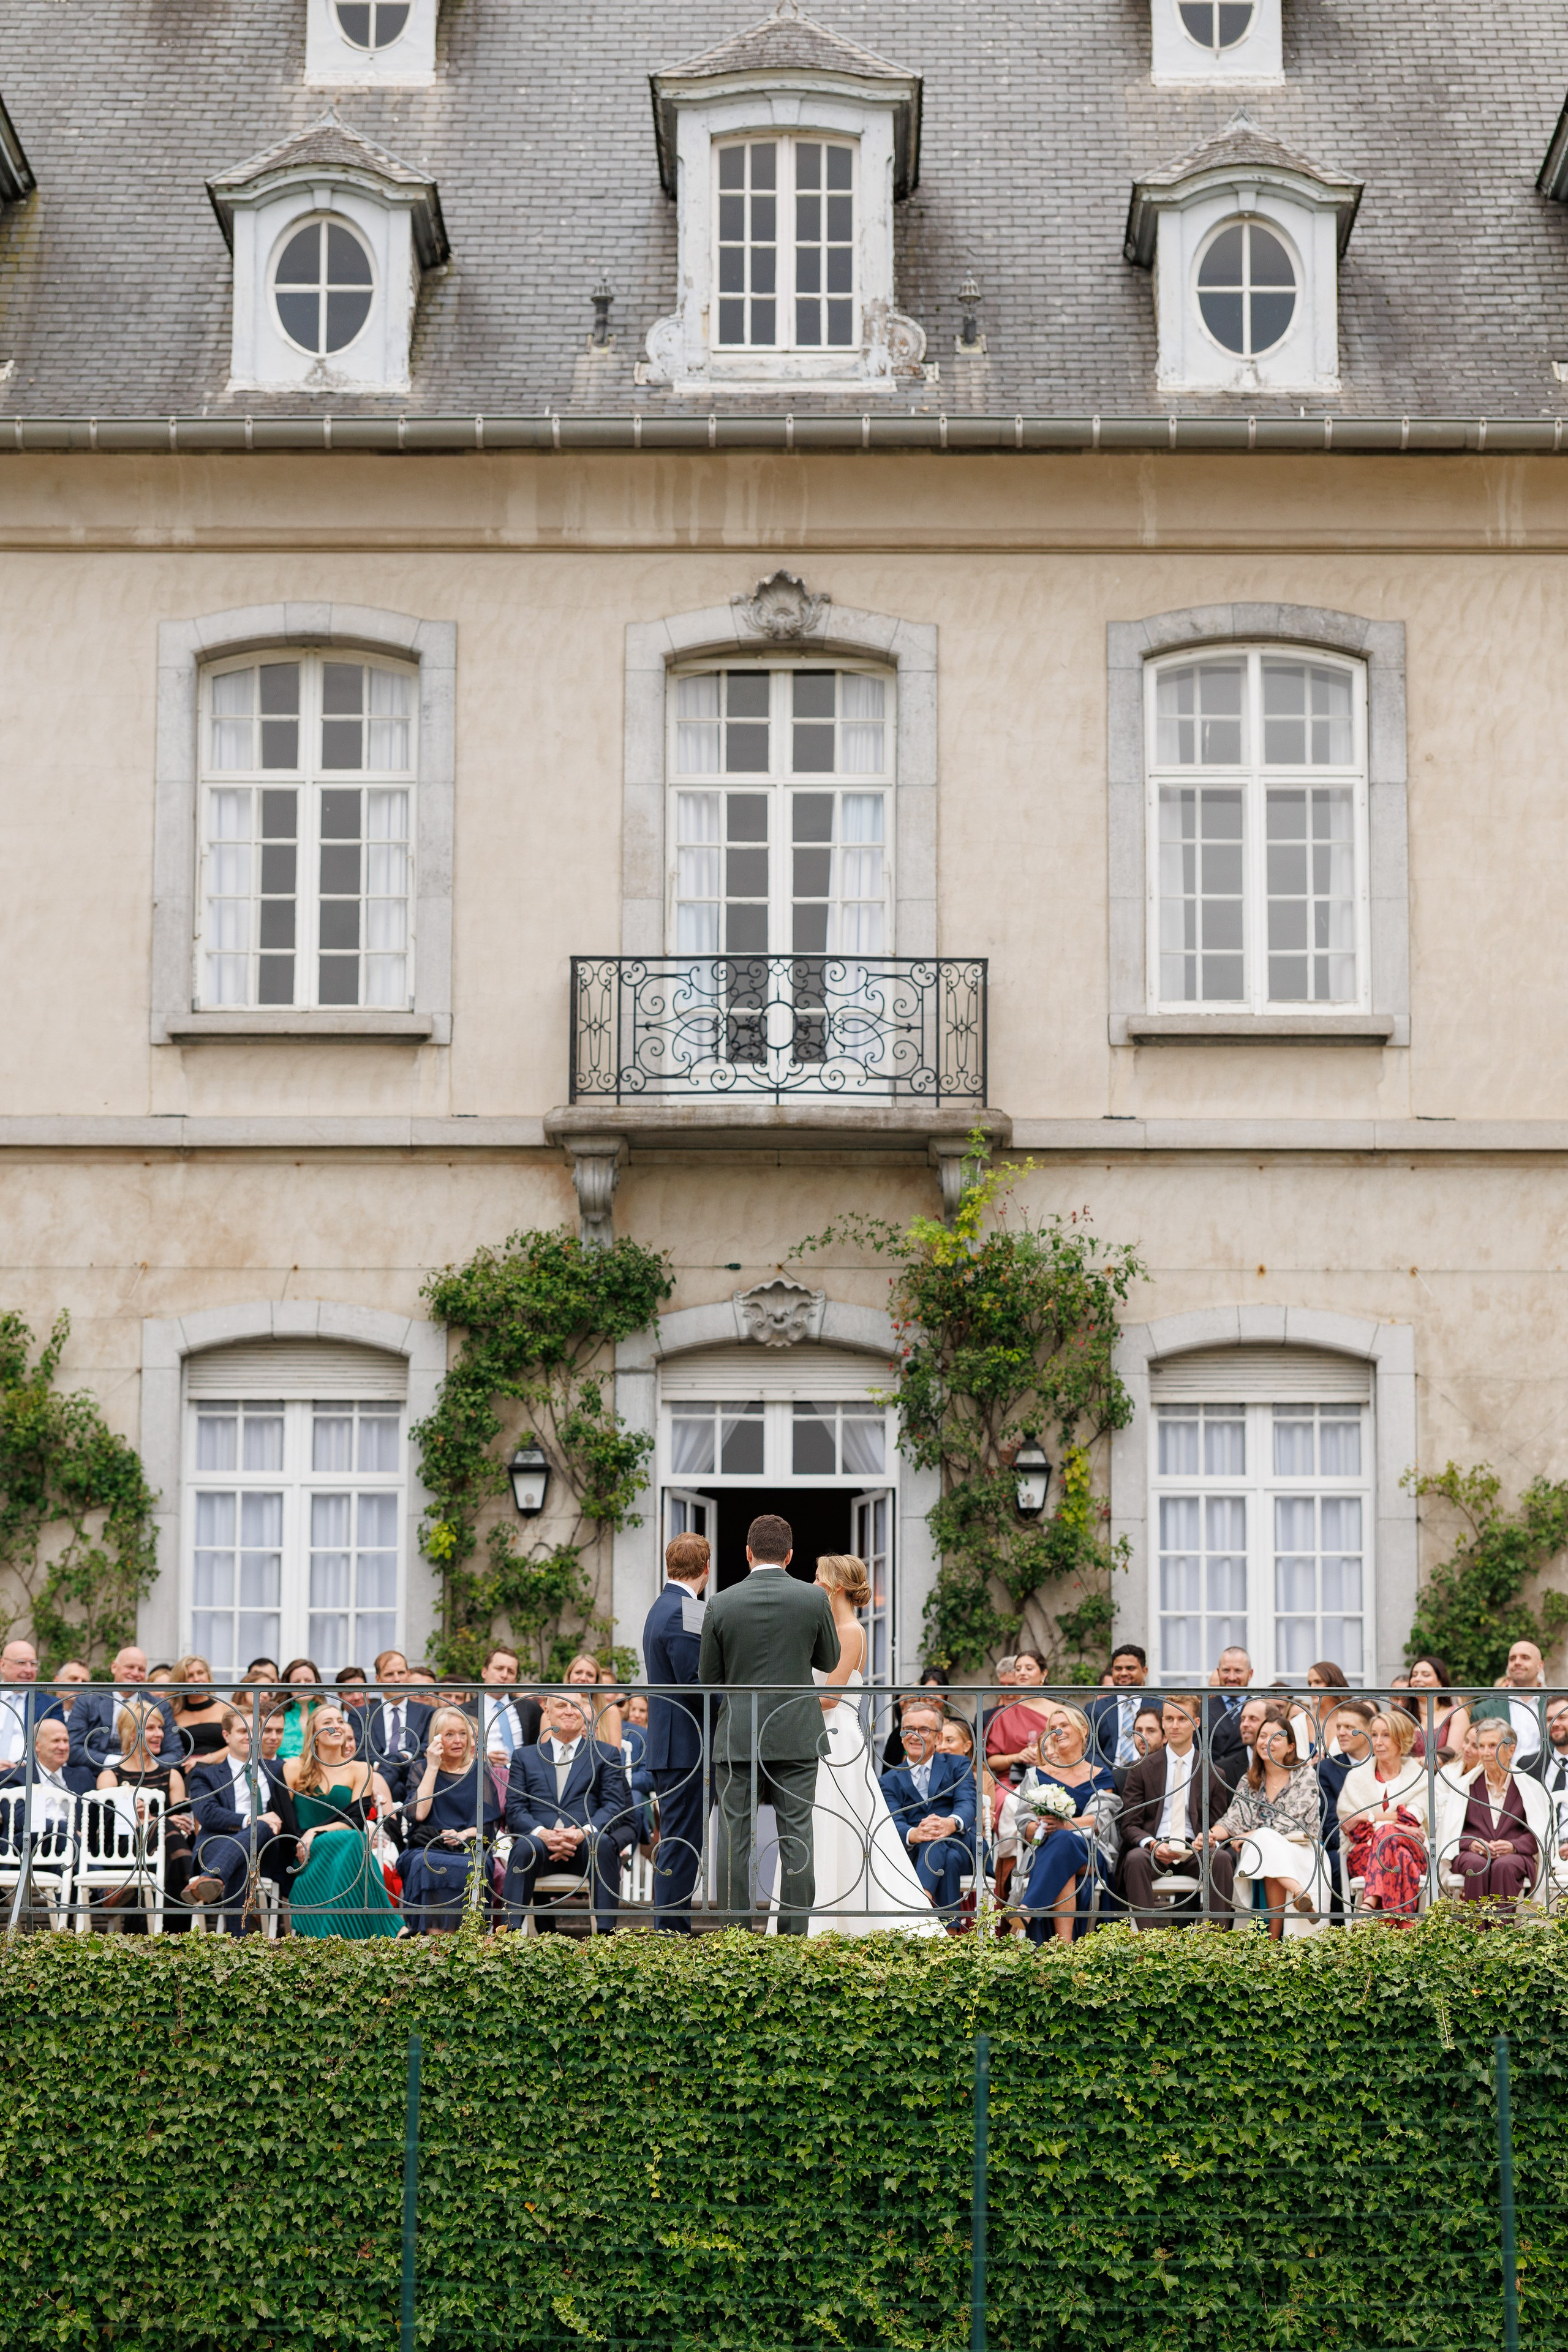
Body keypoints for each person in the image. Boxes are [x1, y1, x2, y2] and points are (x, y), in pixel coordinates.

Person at [698, 1512, 840, 1936]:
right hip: (796, 1731)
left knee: (733, 1836)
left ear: (747, 1553)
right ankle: (792, 1939)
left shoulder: (721, 1602)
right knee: (797, 1834)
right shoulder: (813, 1599)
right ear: (790, 1555)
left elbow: (709, 1679)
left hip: (739, 1733)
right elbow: (829, 1662)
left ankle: (737, 1937)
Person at [501, 1689, 633, 1932]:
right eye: (561, 1706)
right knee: (523, 1848)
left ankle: (606, 1936)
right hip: (540, 1848)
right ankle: (507, 1934)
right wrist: (543, 1833)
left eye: (575, 1706)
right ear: (547, 1712)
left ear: (585, 1713)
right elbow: (515, 1808)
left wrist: (583, 1832)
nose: (569, 1711)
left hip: (585, 1849)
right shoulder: (525, 1757)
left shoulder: (605, 1754)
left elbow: (614, 1805)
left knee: (602, 1844)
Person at [1193, 1706, 1321, 1939]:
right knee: (1266, 1846)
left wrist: (1252, 1834)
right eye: (1263, 1736)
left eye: (1276, 1738)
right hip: (1266, 1852)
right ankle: (1297, 1891)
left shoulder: (1304, 1774)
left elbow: (1294, 1820)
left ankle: (1270, 1941)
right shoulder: (1250, 1779)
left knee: (1265, 1842)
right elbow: (1233, 1819)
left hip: (1302, 1849)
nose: (1266, 1742)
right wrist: (1210, 1834)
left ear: (1291, 1746)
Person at [641, 1533, 712, 1934]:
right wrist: (737, 1707)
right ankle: (671, 1933)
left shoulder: (660, 1606)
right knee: (682, 1845)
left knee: (676, 1841)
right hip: (684, 1749)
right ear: (706, 1569)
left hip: (672, 1746)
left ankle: (669, 1928)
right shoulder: (687, 1609)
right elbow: (694, 1681)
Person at [282, 1705, 400, 1938]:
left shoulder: (360, 1769)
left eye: (340, 1720)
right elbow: (286, 1817)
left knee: (355, 1838)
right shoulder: (293, 1767)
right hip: (304, 1852)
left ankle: (332, 1936)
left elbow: (356, 1819)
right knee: (356, 1841)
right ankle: (393, 1927)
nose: (337, 1725)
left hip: (343, 1842)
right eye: (328, 1721)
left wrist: (316, 1831)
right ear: (313, 1732)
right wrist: (307, 1838)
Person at [1118, 1695, 1235, 1929]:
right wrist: (1151, 1844)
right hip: (1155, 1849)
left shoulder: (1213, 1772)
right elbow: (1129, 1824)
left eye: (1182, 1719)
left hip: (1196, 1850)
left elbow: (1219, 1821)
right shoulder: (1142, 1769)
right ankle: (1148, 1944)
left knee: (1221, 1858)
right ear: (1162, 1722)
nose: (1174, 1725)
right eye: (1169, 1719)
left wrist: (1208, 1835)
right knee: (1134, 1859)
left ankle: (1218, 1941)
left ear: (1196, 1723)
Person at [1010, 1703, 1120, 1943]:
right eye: (1052, 1728)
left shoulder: (1100, 1775)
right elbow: (1024, 1823)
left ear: (1083, 1731)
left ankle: (1029, 1909)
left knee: (1063, 1841)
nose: (1057, 1732)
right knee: (1063, 1855)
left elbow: (1099, 1820)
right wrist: (1040, 1826)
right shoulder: (1036, 1775)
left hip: (1090, 1853)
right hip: (1049, 1852)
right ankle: (1065, 1946)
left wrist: (1064, 1826)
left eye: (1064, 1726)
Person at [186, 1706, 301, 1932]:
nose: (250, 1736)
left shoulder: (281, 1770)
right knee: (249, 1847)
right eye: (242, 1731)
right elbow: (207, 1813)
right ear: (226, 1736)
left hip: (267, 1851)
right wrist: (252, 1820)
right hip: (215, 1844)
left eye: (254, 1730)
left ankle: (211, 1878)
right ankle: (237, 1943)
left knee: (265, 1827)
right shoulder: (205, 1774)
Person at [869, 1695, 976, 1928]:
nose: (914, 1735)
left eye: (923, 1730)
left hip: (963, 1843)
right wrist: (914, 1833)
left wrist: (950, 1823)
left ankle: (921, 1904)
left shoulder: (958, 1764)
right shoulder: (888, 1780)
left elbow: (968, 1803)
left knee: (943, 1846)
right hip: (916, 1852)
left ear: (938, 1737)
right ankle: (950, 1932)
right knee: (943, 1853)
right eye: (908, 1729)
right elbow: (892, 1821)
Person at [399, 1707, 501, 1934]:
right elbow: (419, 1814)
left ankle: (466, 1937)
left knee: (476, 1865)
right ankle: (431, 1937)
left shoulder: (479, 1771)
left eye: (463, 1734)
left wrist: (463, 1835)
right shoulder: (422, 1769)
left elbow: (488, 1826)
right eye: (449, 1735)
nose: (458, 1741)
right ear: (436, 1738)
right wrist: (433, 1766)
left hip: (468, 1848)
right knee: (423, 1863)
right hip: (428, 1847)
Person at [93, 1700, 195, 1924]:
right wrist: (142, 1819)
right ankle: (190, 1890)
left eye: (160, 1728)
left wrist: (165, 1820)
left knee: (165, 1830)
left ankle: (146, 1927)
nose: (159, 1734)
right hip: (124, 1849)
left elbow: (182, 1821)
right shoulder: (110, 1777)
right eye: (150, 1728)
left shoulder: (171, 1776)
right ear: (131, 1733)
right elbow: (107, 1827)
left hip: (166, 1847)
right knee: (163, 1829)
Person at [1438, 1719, 1550, 1915]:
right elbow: (1452, 1829)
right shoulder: (1466, 1786)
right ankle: (1475, 1934)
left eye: (1492, 1746)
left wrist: (1513, 1846)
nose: (1486, 1752)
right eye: (1481, 1746)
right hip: (1472, 1853)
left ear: (1511, 1751)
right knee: (1477, 1865)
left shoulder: (1529, 1788)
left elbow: (1538, 1832)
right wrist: (1471, 1843)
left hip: (1515, 1856)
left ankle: (1502, 1937)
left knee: (1504, 1866)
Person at [1337, 1708, 1429, 1921]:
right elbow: (1352, 1828)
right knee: (1401, 1858)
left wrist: (1368, 1817)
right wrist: (1398, 1825)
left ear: (1402, 1738)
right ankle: (1405, 1932)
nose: (1378, 1742)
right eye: (1375, 1735)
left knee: (1390, 1837)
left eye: (1386, 1735)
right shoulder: (1356, 1778)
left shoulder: (1419, 1778)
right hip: (1365, 1854)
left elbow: (1412, 1818)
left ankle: (1370, 1901)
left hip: (1414, 1851)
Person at [66, 1647, 179, 1779]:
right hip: (97, 1776)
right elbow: (73, 1749)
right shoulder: (88, 1701)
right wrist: (120, 1763)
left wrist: (146, 1766)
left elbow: (174, 1753)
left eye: (141, 1670)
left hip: (147, 1779)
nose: (136, 1673)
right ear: (114, 1667)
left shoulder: (160, 1705)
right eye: (130, 1667)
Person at [467, 1645, 543, 1801]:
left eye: (511, 1671)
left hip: (524, 1782)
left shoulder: (530, 1708)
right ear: (484, 1672)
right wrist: (482, 1758)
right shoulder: (464, 1711)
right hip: (479, 1781)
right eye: (499, 1668)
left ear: (515, 1679)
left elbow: (538, 1746)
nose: (504, 1675)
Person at [356, 1651, 432, 1800]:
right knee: (397, 1789)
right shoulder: (360, 1714)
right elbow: (360, 1749)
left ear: (408, 1675)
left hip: (413, 1773)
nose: (397, 1679)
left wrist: (402, 1758)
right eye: (390, 1674)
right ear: (378, 1679)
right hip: (377, 1772)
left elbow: (427, 1746)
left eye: (401, 1673)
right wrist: (383, 1765)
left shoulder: (427, 1712)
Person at [983, 1651, 1056, 1789]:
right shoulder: (1004, 1715)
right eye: (1018, 1669)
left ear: (1044, 1674)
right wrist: (1016, 1757)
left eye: (1029, 1669)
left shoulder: (1058, 1713)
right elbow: (989, 1761)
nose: (1022, 1673)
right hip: (1011, 1782)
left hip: (1054, 1777)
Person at [1471, 1641, 1547, 1770]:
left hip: (1544, 1780)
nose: (1517, 1662)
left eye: (1525, 1657)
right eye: (1512, 1659)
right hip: (1500, 1778)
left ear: (1540, 1666)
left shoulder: (1552, 1706)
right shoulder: (1484, 1710)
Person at [1085, 1644, 1149, 1776]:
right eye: (1118, 1669)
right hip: (1108, 1779)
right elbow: (1090, 1750)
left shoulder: (1160, 1705)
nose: (1123, 1673)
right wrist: (1108, 1777)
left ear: (1145, 1671)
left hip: (1149, 1778)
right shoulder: (1096, 1708)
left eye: (1130, 1668)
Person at [1527, 1696, 1568, 1880]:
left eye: (1562, 1717)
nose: (1556, 1724)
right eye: (1550, 1719)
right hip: (1541, 1854)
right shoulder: (1529, 1765)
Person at [169, 1654, 230, 1771]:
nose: (197, 1679)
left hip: (224, 1768)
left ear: (208, 1676)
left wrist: (208, 1759)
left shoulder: (226, 1709)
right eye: (190, 1676)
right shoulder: (173, 1714)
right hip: (187, 1771)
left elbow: (243, 1743)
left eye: (201, 1673)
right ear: (181, 1681)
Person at [1202, 1648, 1254, 1784]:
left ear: (1250, 1673)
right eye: (1226, 1671)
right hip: (1211, 1784)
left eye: (1238, 1671)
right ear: (1218, 1672)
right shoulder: (1202, 1709)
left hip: (1249, 1783)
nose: (1231, 1677)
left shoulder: (1260, 1709)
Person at [881, 1668, 950, 1771]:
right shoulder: (899, 1734)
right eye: (926, 1692)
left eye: (936, 1691)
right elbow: (889, 1770)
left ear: (947, 1697)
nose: (930, 1697)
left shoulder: (960, 1726)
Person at [1407, 1654, 1468, 1762]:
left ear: (1440, 1682)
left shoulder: (1456, 1713)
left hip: (1443, 1776)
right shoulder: (1403, 1715)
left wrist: (1416, 1762)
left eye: (1425, 1675)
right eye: (1414, 1675)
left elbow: (1452, 1754)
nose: (1417, 1679)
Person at [563, 1654, 621, 1752]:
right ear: (569, 1677)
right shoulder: (553, 1710)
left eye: (590, 1675)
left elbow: (615, 1755)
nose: (583, 1678)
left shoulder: (610, 1711)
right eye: (578, 1673)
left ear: (597, 1681)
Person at [275, 1659, 325, 1761]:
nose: (303, 1685)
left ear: (317, 1683)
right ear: (287, 1684)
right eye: (296, 1682)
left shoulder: (327, 1714)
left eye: (308, 1681)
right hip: (281, 1772)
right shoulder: (276, 1716)